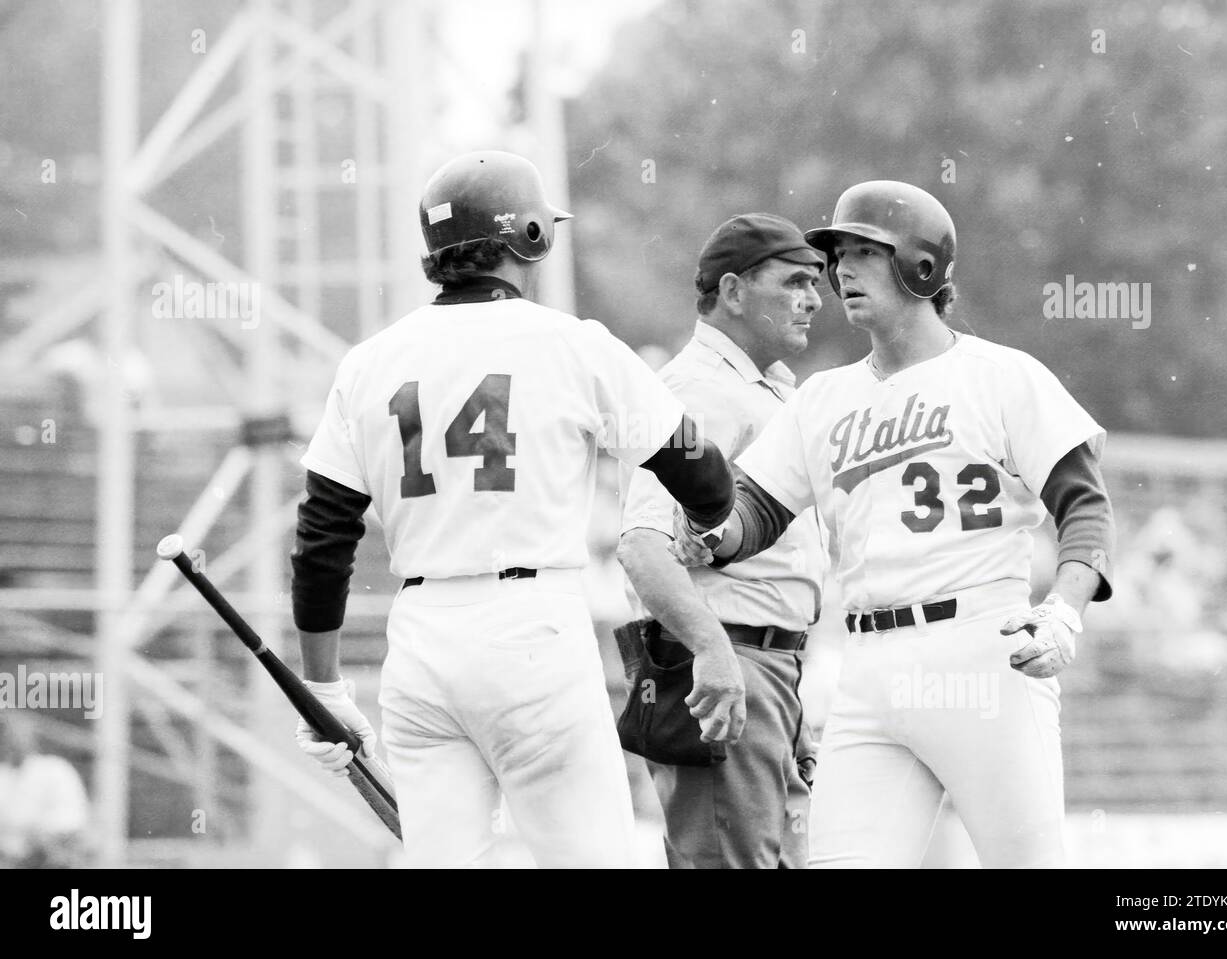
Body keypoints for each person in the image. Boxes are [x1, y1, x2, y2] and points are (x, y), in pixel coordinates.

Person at [290, 150, 740, 867]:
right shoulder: (573, 343)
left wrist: (323, 685)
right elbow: (701, 472)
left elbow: (322, 537)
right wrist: (713, 518)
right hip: (534, 631)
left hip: (422, 641)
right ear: (529, 233)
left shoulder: (367, 362)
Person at [675, 181, 1116, 868]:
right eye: (838, 255)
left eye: (863, 252)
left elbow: (1083, 501)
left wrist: (1064, 607)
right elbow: (754, 509)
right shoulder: (823, 397)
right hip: (869, 669)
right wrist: (715, 533)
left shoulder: (1000, 375)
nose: (841, 270)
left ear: (921, 264)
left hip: (982, 650)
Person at [617, 214, 828, 868]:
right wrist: (714, 652)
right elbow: (642, 544)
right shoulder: (698, 390)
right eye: (794, 280)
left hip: (767, 661)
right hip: (729, 655)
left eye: (816, 282)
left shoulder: (760, 388)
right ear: (733, 292)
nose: (814, 298)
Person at [0, 712, 90, 868]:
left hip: (45, 853)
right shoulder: (3, 776)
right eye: (6, 735)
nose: (11, 741)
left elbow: (73, 818)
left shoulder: (54, 769)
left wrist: (38, 833)